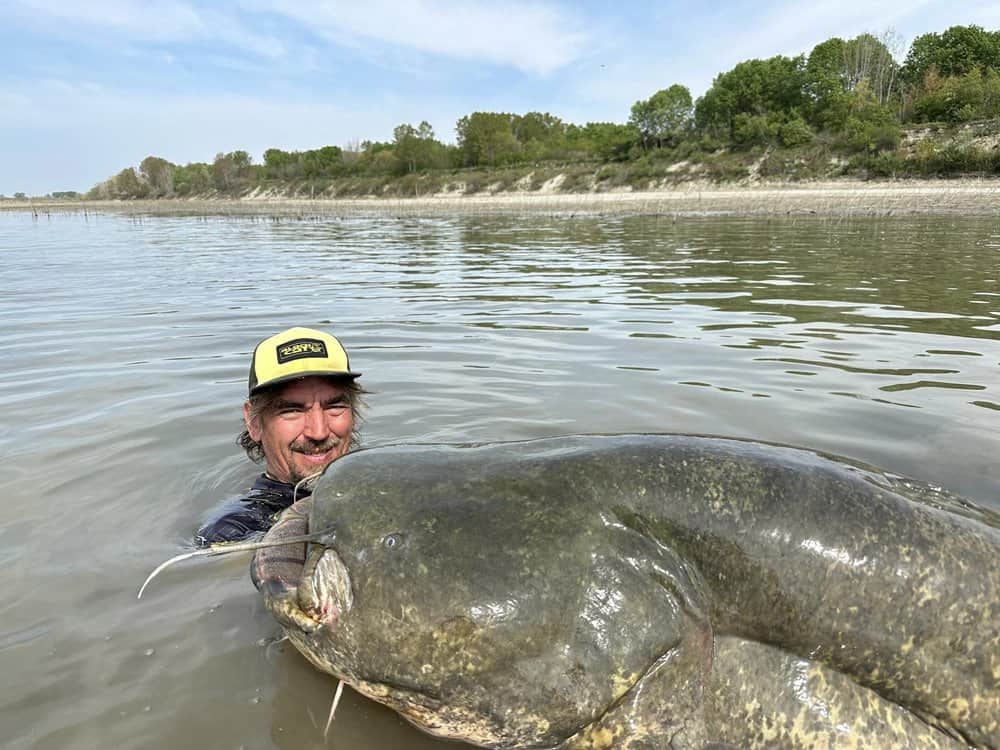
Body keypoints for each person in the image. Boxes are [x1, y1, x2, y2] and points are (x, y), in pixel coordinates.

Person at [196, 326, 365, 546]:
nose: (319, 432)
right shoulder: (234, 532)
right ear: (254, 422)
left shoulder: (382, 490)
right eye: (291, 410)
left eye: (334, 407)